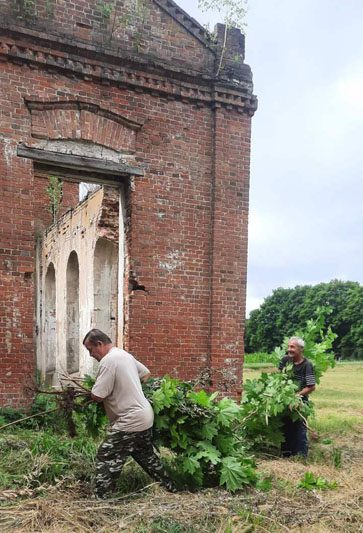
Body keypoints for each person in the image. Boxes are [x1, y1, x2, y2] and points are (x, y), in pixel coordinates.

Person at [83, 329, 176, 498]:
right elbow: (146, 374)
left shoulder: (108, 361)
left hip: (130, 420)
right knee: (146, 456)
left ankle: (101, 498)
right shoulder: (123, 354)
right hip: (145, 415)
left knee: (106, 455)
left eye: (90, 350)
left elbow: (97, 396)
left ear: (99, 344)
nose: (91, 355)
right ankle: (172, 488)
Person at [278, 336, 316, 458]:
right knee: (285, 428)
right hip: (285, 401)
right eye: (289, 346)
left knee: (300, 429)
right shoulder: (285, 361)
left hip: (300, 402)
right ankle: (286, 455)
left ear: (301, 349)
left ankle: (301, 457)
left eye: (292, 347)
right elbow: (278, 378)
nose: (289, 349)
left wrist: (296, 396)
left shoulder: (307, 365)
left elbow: (311, 386)